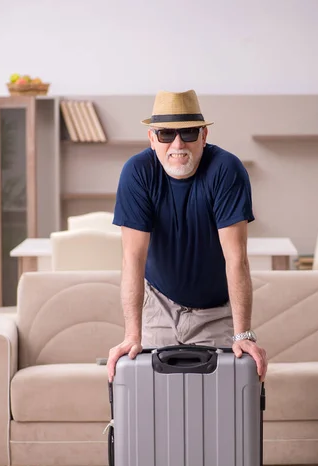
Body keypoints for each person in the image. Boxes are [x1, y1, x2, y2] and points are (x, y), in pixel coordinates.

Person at [107, 89, 267, 382]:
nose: (178, 144)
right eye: (167, 134)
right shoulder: (137, 172)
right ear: (152, 138)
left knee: (217, 410)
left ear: (204, 136)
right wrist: (132, 335)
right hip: (159, 306)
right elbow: (133, 258)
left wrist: (243, 333)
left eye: (189, 133)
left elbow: (236, 258)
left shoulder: (226, 170)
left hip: (216, 313)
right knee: (154, 405)